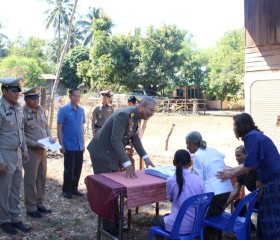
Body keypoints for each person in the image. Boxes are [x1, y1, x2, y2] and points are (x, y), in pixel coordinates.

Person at [87, 96, 156, 235]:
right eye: (150, 110)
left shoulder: (135, 117)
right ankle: (108, 226)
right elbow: (115, 140)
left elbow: (134, 139)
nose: (152, 113)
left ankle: (116, 222)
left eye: (154, 111)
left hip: (112, 155)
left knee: (114, 190)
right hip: (102, 154)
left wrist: (146, 157)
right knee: (107, 190)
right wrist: (127, 163)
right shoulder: (124, 115)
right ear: (141, 106)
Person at [217, 112, 280, 239]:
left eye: (235, 125)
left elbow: (250, 164)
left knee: (270, 219)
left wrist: (231, 174)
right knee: (265, 218)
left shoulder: (251, 137)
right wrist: (230, 171)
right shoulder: (254, 136)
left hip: (274, 181)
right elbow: (247, 163)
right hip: (272, 180)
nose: (233, 128)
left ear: (241, 126)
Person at [185, 131, 233, 240]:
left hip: (214, 192)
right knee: (214, 216)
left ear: (191, 144)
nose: (187, 147)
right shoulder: (212, 150)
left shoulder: (197, 155)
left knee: (203, 217)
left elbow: (198, 179)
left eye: (187, 144)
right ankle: (215, 237)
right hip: (225, 189)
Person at [0, 77, 31, 235]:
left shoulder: (18, 108)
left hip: (18, 153)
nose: (17, 93)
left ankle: (15, 218)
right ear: (4, 91)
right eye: (14, 91)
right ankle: (4, 220)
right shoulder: (0, 108)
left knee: (15, 187)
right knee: (4, 189)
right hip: (5, 153)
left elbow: (21, 131)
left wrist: (25, 149)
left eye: (18, 91)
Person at [151, 149, 204, 239]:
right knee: (168, 216)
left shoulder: (171, 180)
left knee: (155, 220)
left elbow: (171, 198)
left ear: (173, 162)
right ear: (190, 163)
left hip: (177, 226)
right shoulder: (199, 180)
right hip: (196, 225)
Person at [22, 86, 54, 218]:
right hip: (31, 151)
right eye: (33, 98)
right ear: (26, 99)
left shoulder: (41, 110)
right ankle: (30, 208)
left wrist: (50, 137)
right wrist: (35, 144)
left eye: (37, 97)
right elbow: (21, 135)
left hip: (43, 149)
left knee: (41, 177)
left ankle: (39, 203)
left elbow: (45, 126)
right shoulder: (22, 112)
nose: (36, 100)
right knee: (30, 179)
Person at [223, 145, 261, 231]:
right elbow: (235, 191)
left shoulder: (256, 169)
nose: (236, 158)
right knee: (238, 203)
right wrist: (223, 206)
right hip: (254, 198)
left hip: (264, 197)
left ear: (247, 155)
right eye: (236, 156)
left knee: (243, 204)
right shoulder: (240, 173)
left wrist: (249, 202)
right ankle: (249, 226)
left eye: (239, 155)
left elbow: (260, 191)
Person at [57, 88, 86, 199]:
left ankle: (74, 188)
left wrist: (83, 143)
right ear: (70, 96)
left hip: (79, 145)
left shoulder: (81, 110)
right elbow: (59, 128)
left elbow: (81, 127)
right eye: (75, 96)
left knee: (78, 168)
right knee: (69, 168)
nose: (77, 98)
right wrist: (61, 144)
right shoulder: (63, 109)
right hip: (69, 145)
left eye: (79, 96)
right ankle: (66, 189)